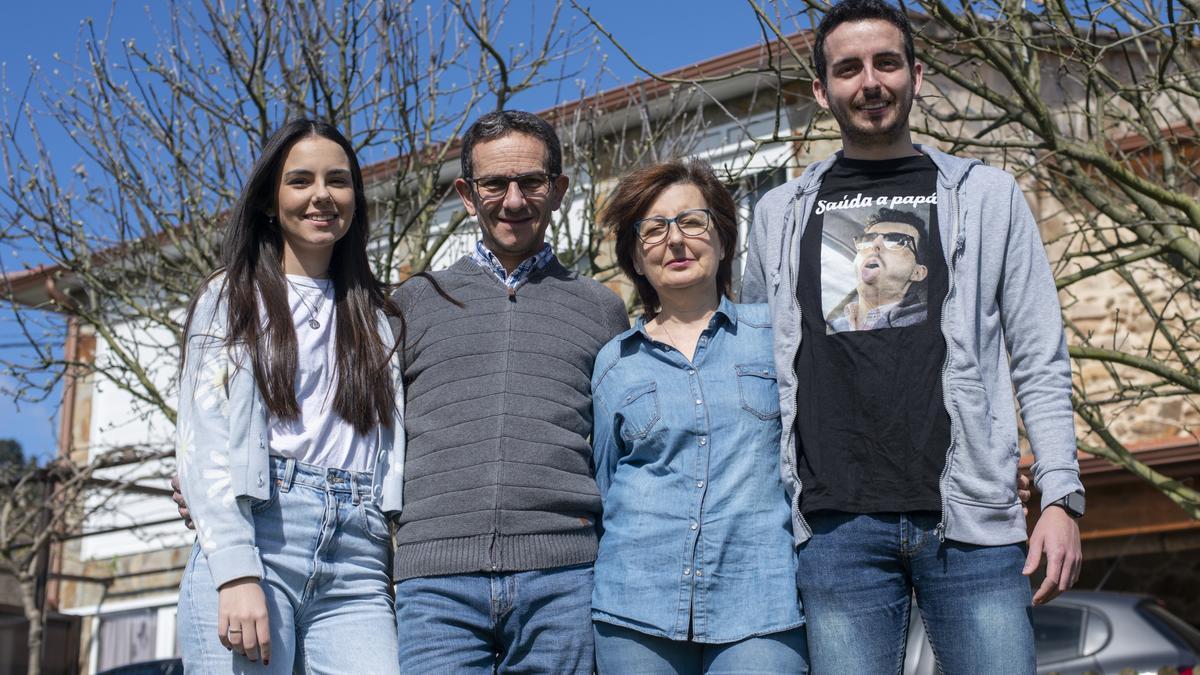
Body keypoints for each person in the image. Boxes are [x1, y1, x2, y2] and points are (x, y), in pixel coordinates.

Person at [741, 1, 1085, 673]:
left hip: (971, 525)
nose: (870, 82)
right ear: (821, 90)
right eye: (848, 69)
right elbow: (760, 370)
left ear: (916, 75)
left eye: (886, 63)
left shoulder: (986, 195)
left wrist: (1061, 496)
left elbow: (1039, 356)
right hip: (834, 529)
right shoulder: (778, 215)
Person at [388, 110, 630, 673]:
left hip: (565, 581)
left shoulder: (601, 309)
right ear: (467, 195)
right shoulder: (412, 303)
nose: (514, 200)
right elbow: (358, 425)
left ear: (559, 190)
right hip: (434, 583)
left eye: (532, 182)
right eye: (495, 184)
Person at [174, 119, 405, 673]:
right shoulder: (230, 296)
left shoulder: (379, 317)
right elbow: (202, 439)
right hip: (262, 535)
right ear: (270, 202)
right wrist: (234, 570)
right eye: (300, 180)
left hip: (359, 554)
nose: (322, 195)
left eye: (338, 181)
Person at [589, 160, 808, 674]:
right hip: (634, 610)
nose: (676, 241)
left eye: (693, 222)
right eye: (654, 229)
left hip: (761, 603)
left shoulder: (776, 337)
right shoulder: (614, 363)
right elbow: (603, 484)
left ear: (724, 240)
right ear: (636, 261)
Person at [828, 208, 928, 332]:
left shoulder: (929, 324)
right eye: (868, 240)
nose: (875, 245)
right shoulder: (827, 328)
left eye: (896, 240)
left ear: (917, 272)